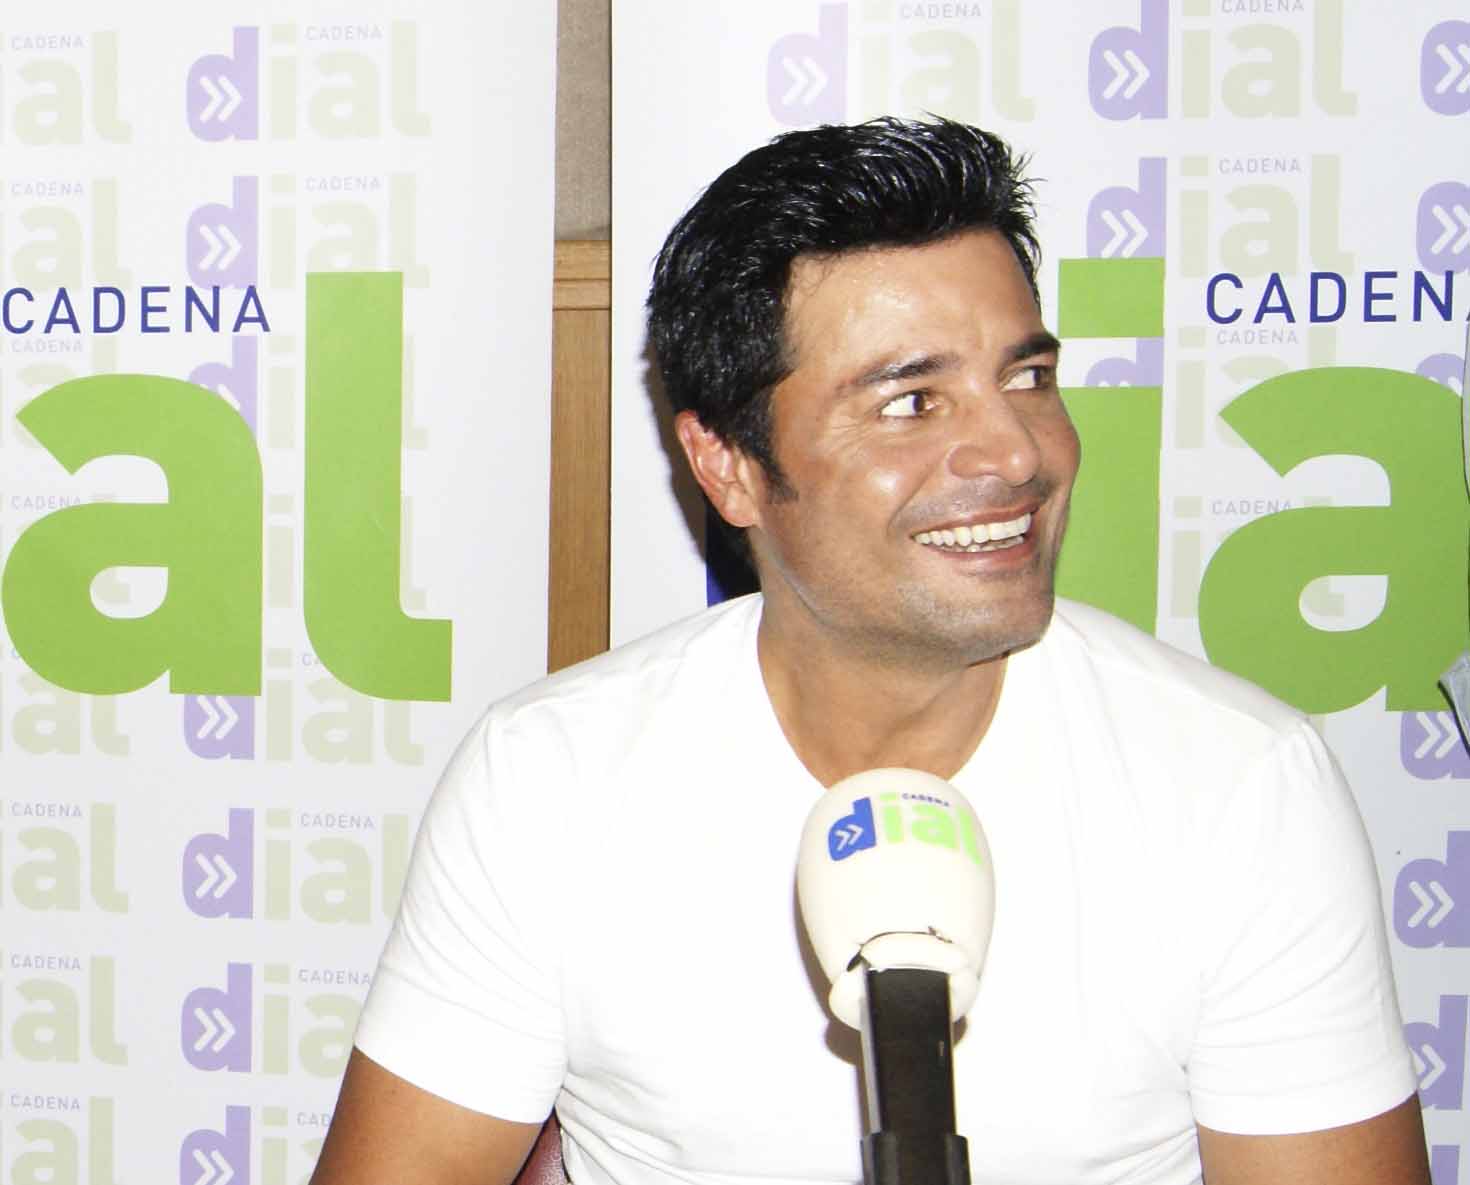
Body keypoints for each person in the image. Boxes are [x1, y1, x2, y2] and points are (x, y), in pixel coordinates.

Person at [310, 118, 1428, 1185]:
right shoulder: (550, 776)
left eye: (1028, 378)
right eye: (912, 401)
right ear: (728, 465)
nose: (1015, 452)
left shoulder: (1239, 787)